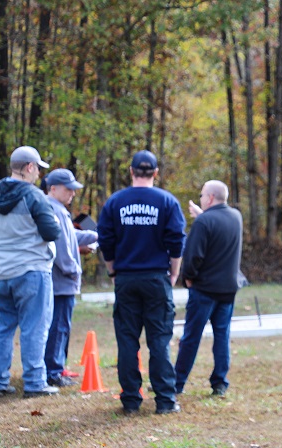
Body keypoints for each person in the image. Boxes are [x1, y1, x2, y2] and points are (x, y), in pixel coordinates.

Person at [97, 150, 186, 415]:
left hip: (126, 278)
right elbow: (176, 241)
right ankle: (165, 401)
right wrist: (173, 273)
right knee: (159, 340)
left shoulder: (115, 202)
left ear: (132, 171)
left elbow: (106, 241)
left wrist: (113, 272)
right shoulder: (167, 201)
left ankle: (131, 400)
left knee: (127, 340)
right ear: (156, 173)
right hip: (156, 278)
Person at [0, 146, 61, 398]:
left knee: (1, 327)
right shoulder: (34, 197)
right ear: (29, 167)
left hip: (0, 272)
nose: (38, 174)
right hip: (31, 271)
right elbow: (51, 233)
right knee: (34, 327)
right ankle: (35, 382)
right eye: (38, 168)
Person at [174, 180, 243, 397]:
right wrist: (202, 215)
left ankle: (177, 383)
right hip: (228, 289)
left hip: (204, 290)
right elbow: (216, 228)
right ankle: (220, 383)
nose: (201, 198)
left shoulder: (203, 223)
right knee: (222, 336)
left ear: (210, 198)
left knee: (191, 337)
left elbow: (193, 256)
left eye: (203, 195)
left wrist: (188, 278)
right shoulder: (236, 217)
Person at [44, 169, 98, 387]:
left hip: (63, 280)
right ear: (53, 188)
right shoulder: (53, 210)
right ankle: (53, 372)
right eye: (69, 189)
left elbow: (72, 235)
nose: (73, 194)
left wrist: (98, 234)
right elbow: (61, 248)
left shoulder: (59, 210)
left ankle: (58, 366)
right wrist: (74, 269)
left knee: (61, 325)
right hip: (61, 281)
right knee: (58, 325)